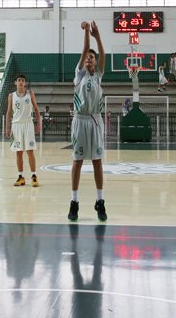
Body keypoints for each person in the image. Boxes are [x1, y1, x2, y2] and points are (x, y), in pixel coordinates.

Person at [68, 21, 107, 222]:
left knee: (97, 162)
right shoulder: (79, 75)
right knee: (78, 161)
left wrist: (98, 36)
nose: (90, 59)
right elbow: (85, 49)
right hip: (80, 120)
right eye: (88, 58)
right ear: (84, 62)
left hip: (96, 121)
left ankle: (100, 201)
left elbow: (103, 54)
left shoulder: (99, 75)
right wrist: (85, 32)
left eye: (93, 57)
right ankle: (74, 202)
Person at [5, 74, 42, 188]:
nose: (21, 82)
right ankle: (20, 177)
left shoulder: (30, 94)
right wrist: (7, 127)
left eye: (23, 80)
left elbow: (36, 109)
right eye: (19, 80)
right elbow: (9, 113)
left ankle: (34, 176)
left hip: (28, 124)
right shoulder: (11, 96)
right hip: (16, 125)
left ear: (25, 83)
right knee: (19, 152)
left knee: (30, 151)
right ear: (15, 83)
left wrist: (38, 123)